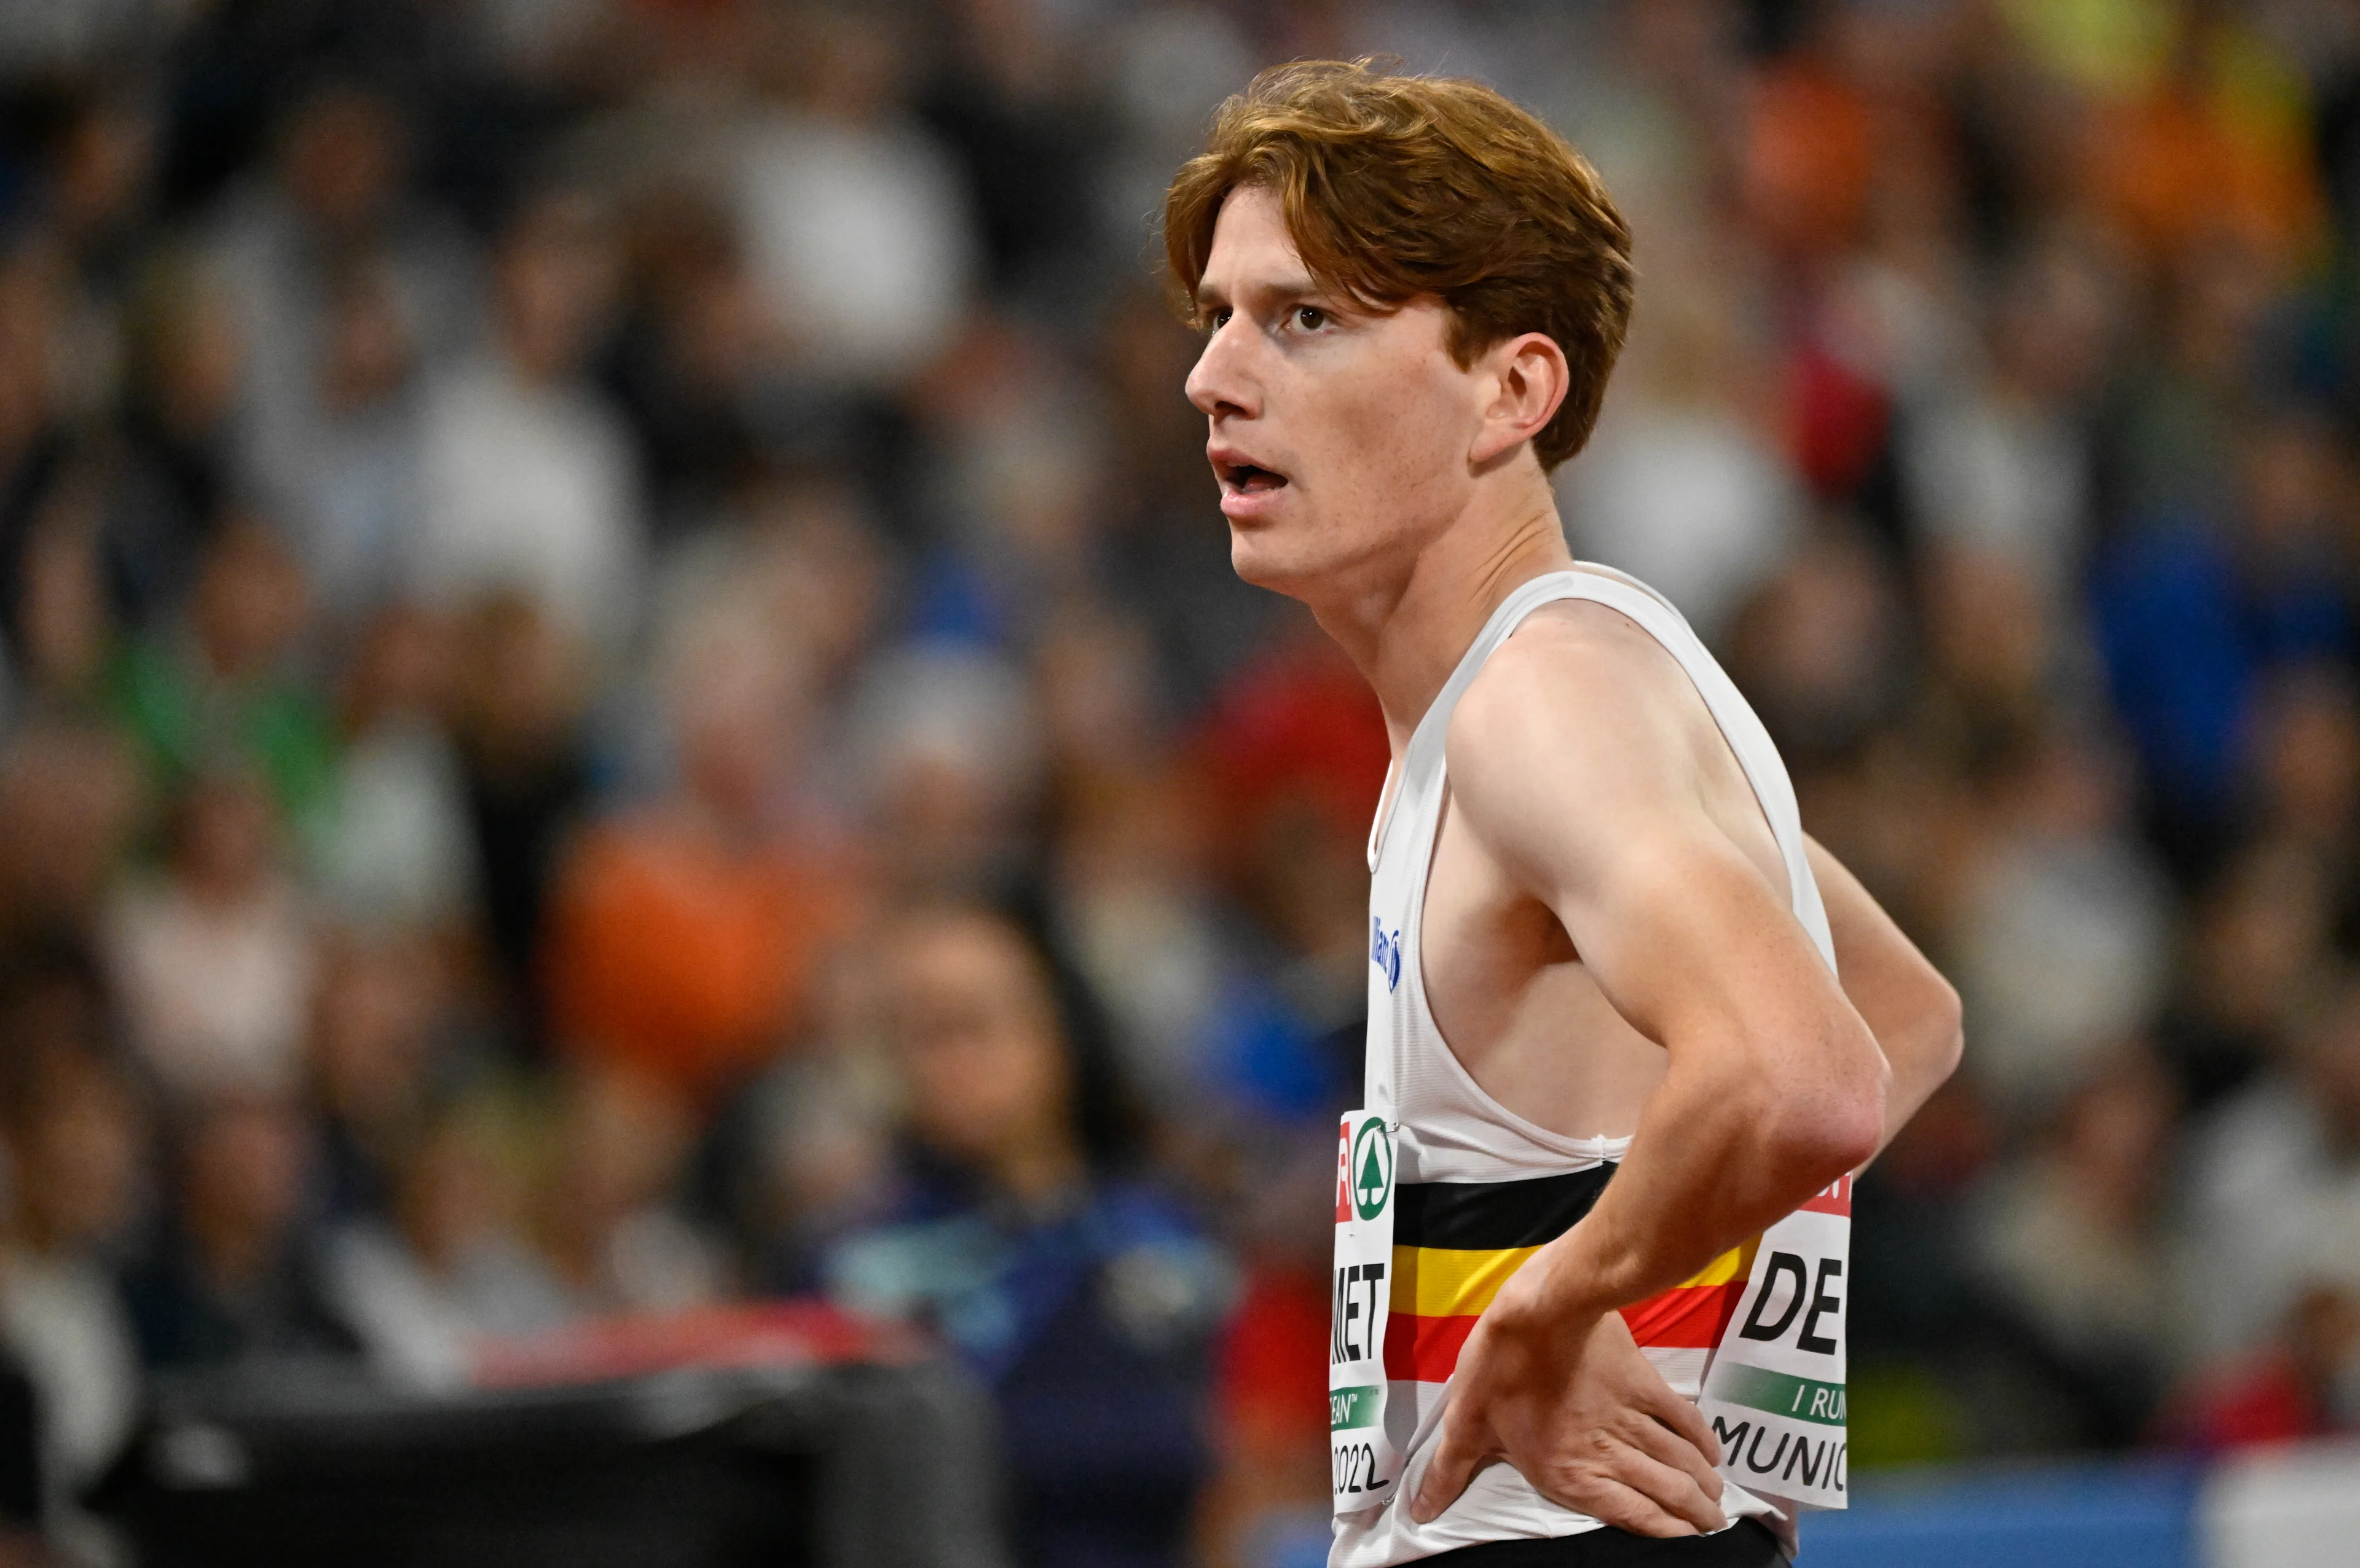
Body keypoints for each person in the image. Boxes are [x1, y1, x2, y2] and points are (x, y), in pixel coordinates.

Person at [1165, 63, 1963, 1566]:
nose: (1215, 373)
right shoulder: (1545, 696)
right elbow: (1901, 1013)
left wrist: (1559, 1302)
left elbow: (1813, 1078)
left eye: (1305, 317)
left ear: (1511, 389)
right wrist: (1644, 1283)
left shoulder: (1546, 701)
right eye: (1218, 317)